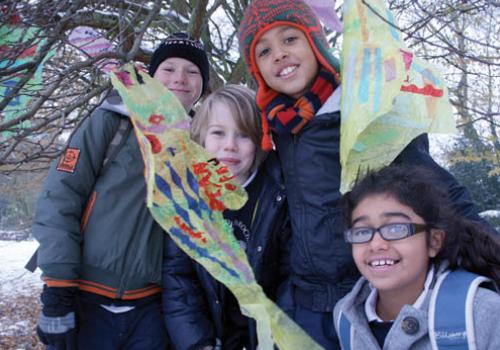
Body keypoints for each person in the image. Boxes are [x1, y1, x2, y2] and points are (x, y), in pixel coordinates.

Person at [237, 0, 495, 348]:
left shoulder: (365, 114)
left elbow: (438, 190)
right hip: (303, 302)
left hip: (365, 294)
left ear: (316, 44)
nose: (279, 54)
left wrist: (488, 254)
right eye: (264, 51)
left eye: (290, 39)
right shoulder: (274, 130)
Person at [32, 32, 209, 350]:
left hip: (153, 310)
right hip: (85, 298)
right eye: (169, 68)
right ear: (152, 75)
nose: (180, 78)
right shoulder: (112, 120)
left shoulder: (204, 143)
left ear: (202, 84)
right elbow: (60, 197)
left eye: (192, 71)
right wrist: (58, 288)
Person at [162, 84, 290, 350]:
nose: (229, 146)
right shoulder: (187, 199)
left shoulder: (278, 194)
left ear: (259, 141)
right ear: (201, 139)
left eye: (243, 135)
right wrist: (199, 344)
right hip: (211, 335)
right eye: (218, 133)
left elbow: (290, 278)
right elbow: (179, 280)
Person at [333, 164, 500, 349]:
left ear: (434, 241)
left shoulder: (482, 313)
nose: (376, 244)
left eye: (396, 228)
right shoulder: (346, 317)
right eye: (362, 231)